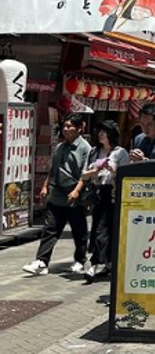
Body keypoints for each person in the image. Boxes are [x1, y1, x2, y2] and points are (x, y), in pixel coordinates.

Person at [23, 114, 92, 276]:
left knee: (78, 230)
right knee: (50, 228)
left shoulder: (85, 149)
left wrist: (77, 191)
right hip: (57, 194)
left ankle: (80, 260)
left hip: (75, 195)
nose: (66, 129)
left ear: (80, 128)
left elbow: (85, 173)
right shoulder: (60, 147)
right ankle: (42, 261)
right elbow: (53, 170)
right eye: (65, 126)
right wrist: (45, 187)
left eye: (70, 126)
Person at [74, 120, 129, 280]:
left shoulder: (120, 153)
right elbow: (83, 174)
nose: (101, 134)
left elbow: (125, 177)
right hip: (97, 194)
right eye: (100, 131)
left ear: (112, 134)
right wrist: (94, 171)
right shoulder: (93, 152)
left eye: (104, 132)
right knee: (99, 229)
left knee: (106, 230)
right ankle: (102, 263)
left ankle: (99, 264)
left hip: (113, 194)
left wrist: (113, 171)